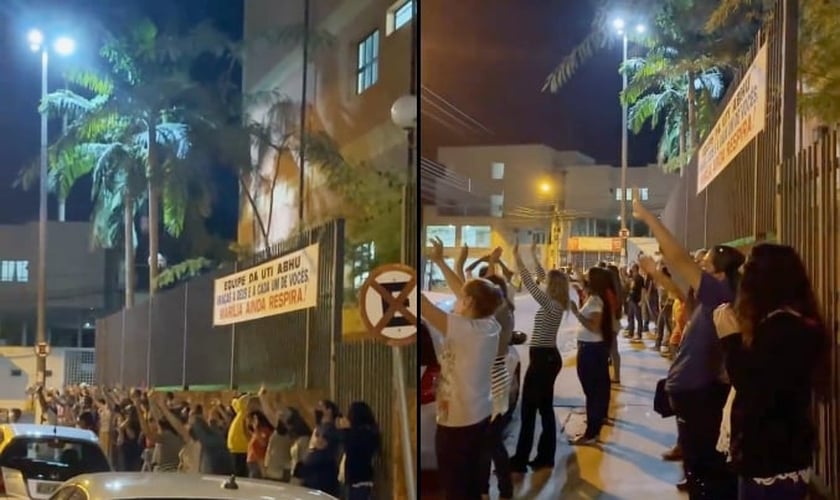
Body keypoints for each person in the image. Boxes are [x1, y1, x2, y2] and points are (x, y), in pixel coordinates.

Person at [633, 198, 740, 499]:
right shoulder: (712, 297)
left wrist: (649, 219)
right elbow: (678, 282)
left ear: (720, 274)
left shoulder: (722, 293)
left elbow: (679, 258)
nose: (698, 268)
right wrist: (656, 273)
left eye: (704, 265)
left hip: (700, 394)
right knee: (698, 466)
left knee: (706, 472)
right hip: (691, 393)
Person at [714, 244, 828, 499]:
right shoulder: (790, 322)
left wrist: (730, 339)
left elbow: (753, 385)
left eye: (747, 272)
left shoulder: (784, 328)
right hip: (780, 452)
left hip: (771, 456)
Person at [421, 236, 501, 500]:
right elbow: (464, 292)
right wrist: (441, 262)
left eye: (462, 298)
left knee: (455, 488)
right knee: (468, 484)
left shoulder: (464, 330)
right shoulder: (488, 325)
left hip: (457, 423)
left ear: (468, 303)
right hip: (477, 416)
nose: (457, 298)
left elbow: (424, 307)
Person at [509, 239, 569, 475]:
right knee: (544, 409)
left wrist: (517, 257)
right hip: (547, 358)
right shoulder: (556, 303)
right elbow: (541, 276)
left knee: (529, 410)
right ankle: (545, 457)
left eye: (548, 283)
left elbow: (530, 284)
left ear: (552, 287)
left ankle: (521, 459)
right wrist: (534, 255)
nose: (544, 284)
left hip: (543, 360)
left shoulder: (551, 304)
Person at [478, 248, 515, 500]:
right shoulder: (503, 309)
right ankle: (487, 488)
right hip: (495, 373)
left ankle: (503, 488)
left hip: (495, 374)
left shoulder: (500, 311)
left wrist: (492, 263)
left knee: (490, 438)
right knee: (487, 439)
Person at [567, 267, 615, 444]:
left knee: (592, 391)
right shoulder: (596, 298)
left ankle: (591, 433)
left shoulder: (595, 301)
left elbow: (594, 326)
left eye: (588, 277)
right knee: (597, 390)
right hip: (594, 348)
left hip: (591, 350)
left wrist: (576, 313)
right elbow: (583, 284)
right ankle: (595, 424)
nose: (585, 278)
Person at [336, 401, 380, 500]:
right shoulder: (369, 432)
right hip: (360, 478)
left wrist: (346, 431)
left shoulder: (362, 434)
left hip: (359, 480)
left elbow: (351, 450)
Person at [605, 264, 624, 383]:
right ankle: (616, 375)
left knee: (610, 350)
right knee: (614, 350)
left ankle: (615, 376)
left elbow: (608, 308)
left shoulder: (609, 291)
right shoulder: (617, 288)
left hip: (610, 322)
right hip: (615, 321)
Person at [626, 264, 645, 341]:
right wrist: (629, 297)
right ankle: (631, 332)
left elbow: (643, 289)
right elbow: (631, 289)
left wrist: (642, 300)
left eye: (633, 269)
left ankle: (639, 334)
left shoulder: (640, 278)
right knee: (630, 316)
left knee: (638, 317)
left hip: (637, 300)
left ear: (635, 269)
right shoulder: (633, 278)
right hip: (631, 299)